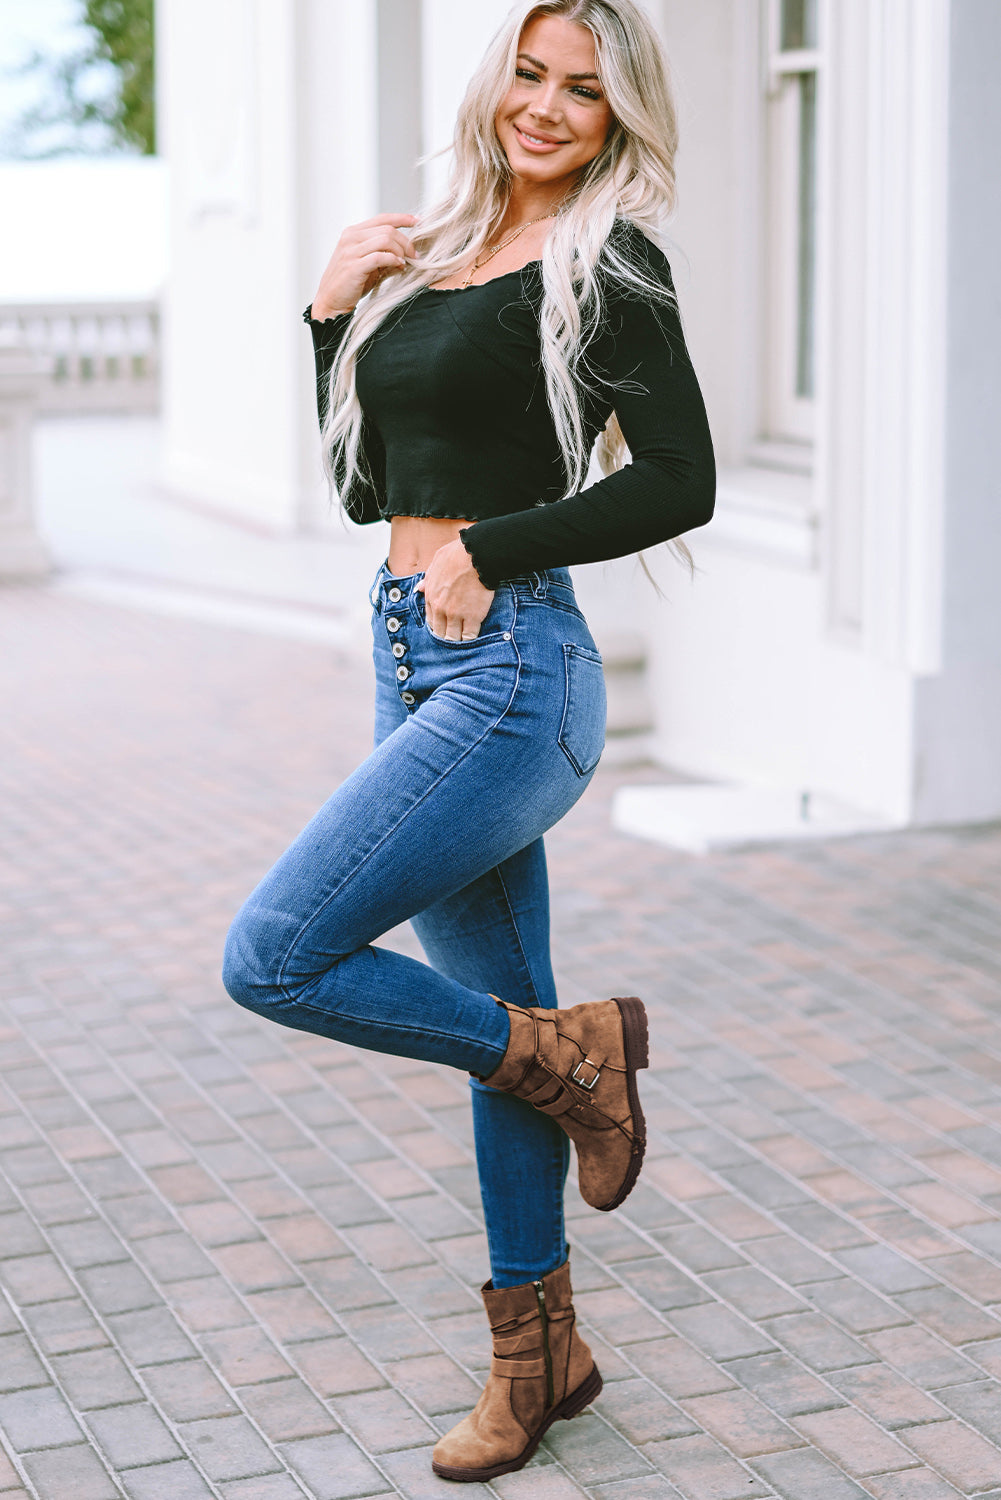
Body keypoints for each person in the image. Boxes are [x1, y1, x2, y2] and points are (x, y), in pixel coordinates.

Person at [223, 0, 715, 1481]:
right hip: (407, 658)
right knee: (507, 1033)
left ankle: (569, 1062)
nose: (548, 106)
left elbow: (681, 480)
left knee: (275, 955)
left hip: (513, 673)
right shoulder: (431, 255)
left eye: (582, 89)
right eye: (528, 72)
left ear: (618, 114)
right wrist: (327, 316)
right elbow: (373, 488)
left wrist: (494, 548)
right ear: (491, 83)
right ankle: (538, 1353)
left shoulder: (608, 261)